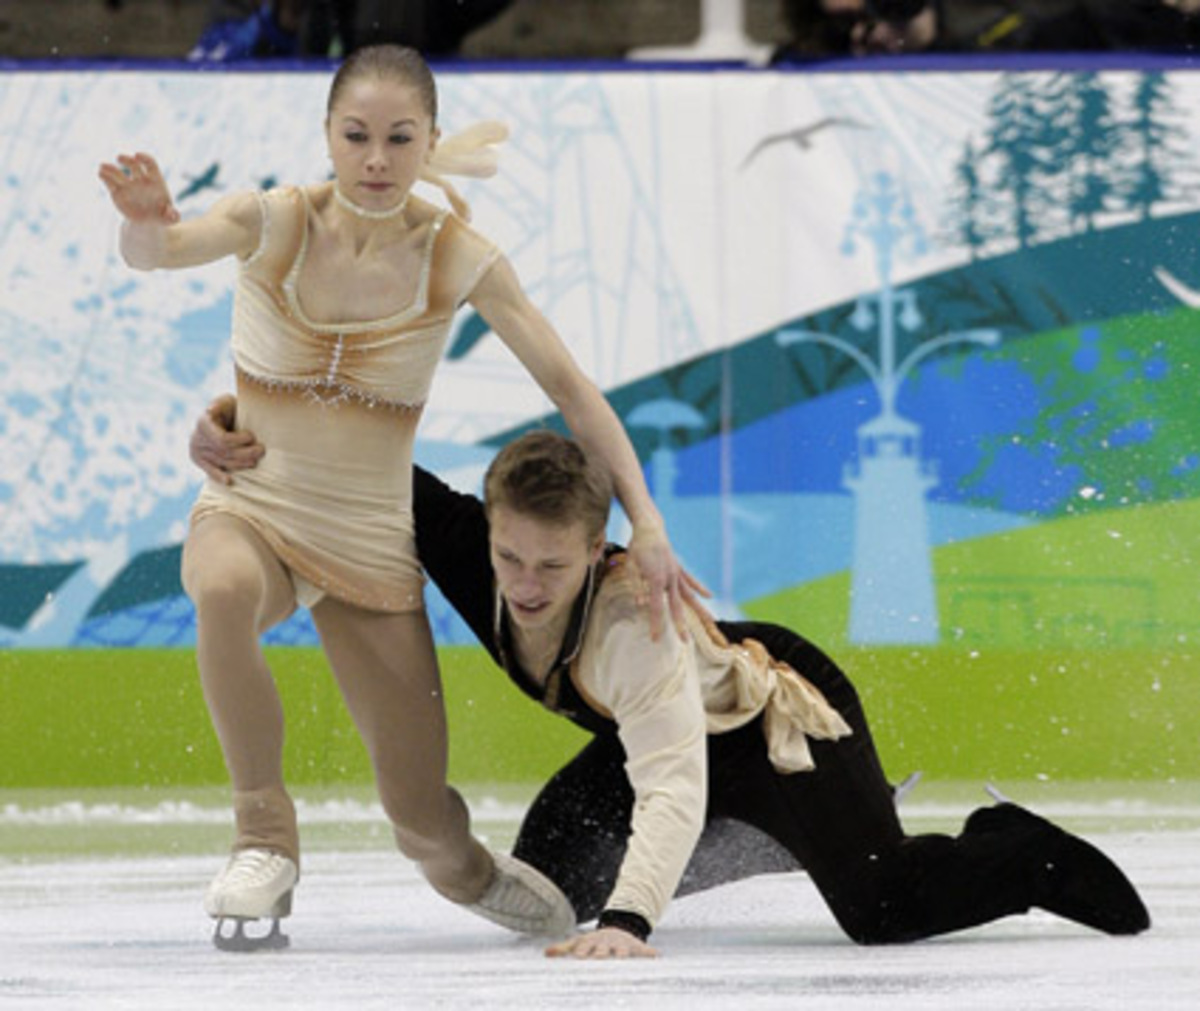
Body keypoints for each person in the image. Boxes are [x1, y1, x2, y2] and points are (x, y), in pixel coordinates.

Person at [99, 44, 691, 951]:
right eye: (357, 136)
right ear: (328, 135)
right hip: (254, 508)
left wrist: (645, 518)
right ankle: (264, 836)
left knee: (419, 816)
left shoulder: (458, 256)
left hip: (371, 541)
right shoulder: (269, 220)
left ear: (429, 141)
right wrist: (144, 224)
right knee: (219, 589)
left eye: (399, 138)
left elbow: (572, 391)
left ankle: (467, 869)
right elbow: (162, 251)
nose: (376, 159)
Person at [192, 410, 1152, 959]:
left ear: (596, 548)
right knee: (546, 888)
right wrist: (232, 423)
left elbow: (672, 779)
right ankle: (771, 846)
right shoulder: (476, 548)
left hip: (773, 725)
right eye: (509, 557)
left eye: (552, 567)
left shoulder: (632, 628)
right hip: (657, 744)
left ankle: (1016, 846)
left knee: (881, 908)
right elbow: (347, 452)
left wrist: (630, 920)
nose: (524, 586)